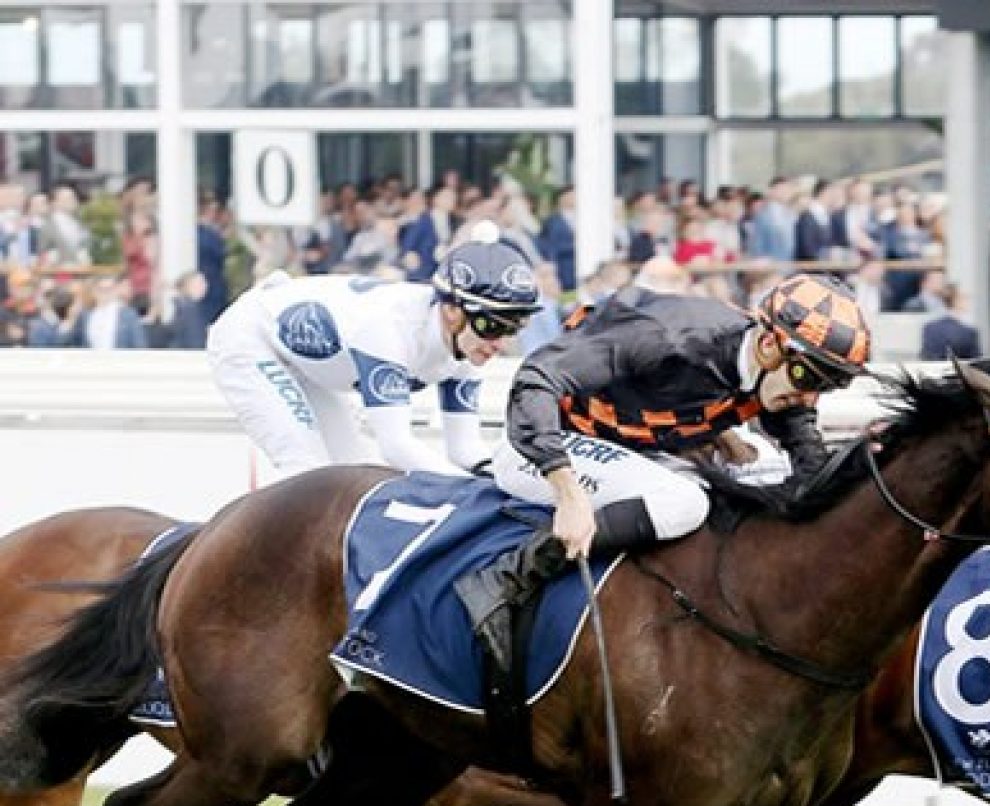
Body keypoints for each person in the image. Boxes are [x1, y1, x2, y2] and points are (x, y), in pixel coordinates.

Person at [453, 272, 874, 691]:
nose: (810, 398)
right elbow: (536, 381)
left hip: (624, 450)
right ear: (769, 346)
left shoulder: (776, 377)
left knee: (760, 473)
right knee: (684, 502)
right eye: (808, 379)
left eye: (828, 385)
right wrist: (568, 492)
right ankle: (505, 580)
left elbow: (808, 465)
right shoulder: (672, 337)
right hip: (541, 448)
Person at [205, 221, 538, 478]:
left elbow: (465, 449)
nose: (500, 343)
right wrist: (470, 493)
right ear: (452, 311)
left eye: (513, 328)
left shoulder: (466, 347)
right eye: (493, 326)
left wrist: (509, 483)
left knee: (359, 472)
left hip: (305, 359)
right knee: (307, 470)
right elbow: (396, 447)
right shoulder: (390, 331)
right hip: (250, 337)